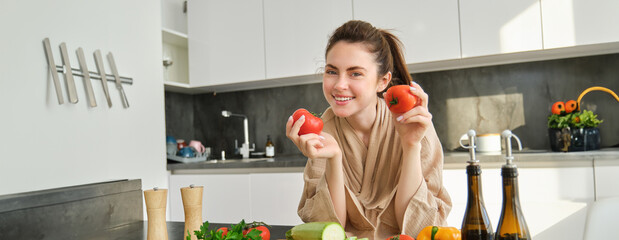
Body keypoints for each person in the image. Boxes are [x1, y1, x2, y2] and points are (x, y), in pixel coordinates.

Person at [285, 20, 452, 239]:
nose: (339, 85)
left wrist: (410, 146)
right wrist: (334, 159)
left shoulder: (415, 123)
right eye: (332, 71)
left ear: (383, 81)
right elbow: (327, 231)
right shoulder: (320, 131)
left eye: (355, 73)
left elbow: (418, 229)